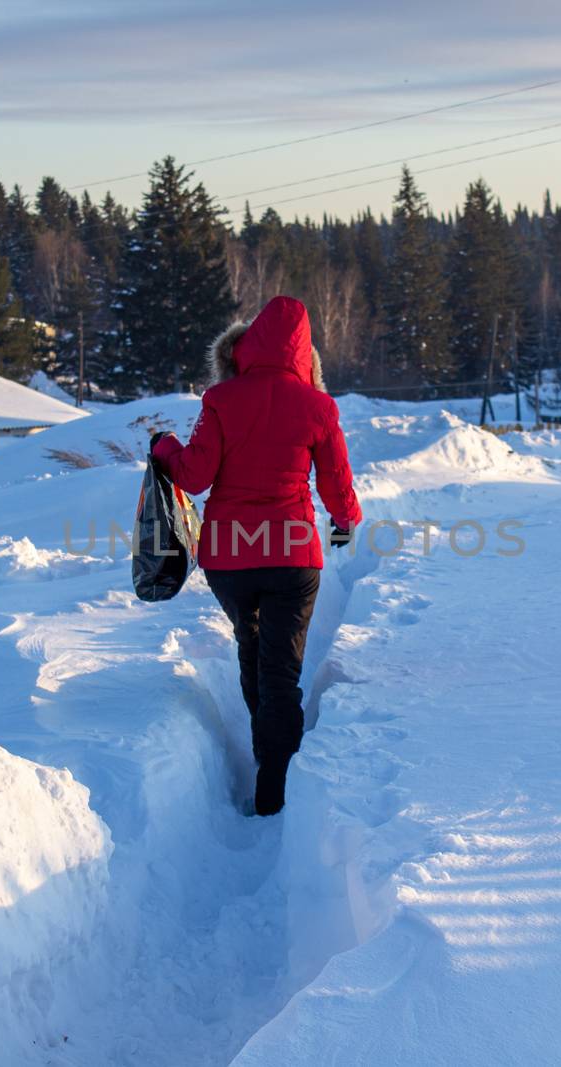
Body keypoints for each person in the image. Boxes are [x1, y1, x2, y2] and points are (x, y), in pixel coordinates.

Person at [151, 296, 363, 816]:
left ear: (246, 346)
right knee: (281, 672)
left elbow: (194, 476)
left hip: (230, 558)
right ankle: (276, 782)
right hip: (292, 557)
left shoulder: (222, 399)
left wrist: (166, 449)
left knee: (251, 650)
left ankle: (263, 748)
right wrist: (346, 522)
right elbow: (337, 487)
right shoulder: (318, 407)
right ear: (304, 354)